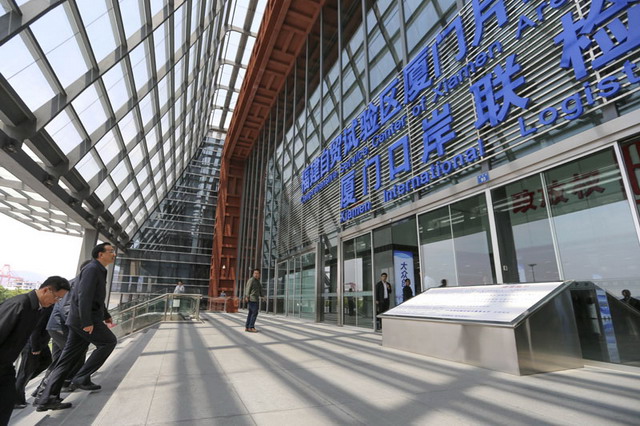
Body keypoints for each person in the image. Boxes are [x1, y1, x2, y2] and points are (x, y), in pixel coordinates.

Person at [36, 243, 118, 412]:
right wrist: (86, 321)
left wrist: (106, 315)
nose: (114, 254)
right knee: (108, 342)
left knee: (66, 360)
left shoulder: (99, 269)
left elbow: (95, 297)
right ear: (100, 254)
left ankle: (47, 398)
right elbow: (84, 295)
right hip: (84, 320)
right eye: (111, 251)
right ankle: (81, 377)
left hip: (80, 320)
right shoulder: (92, 269)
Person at [0, 276, 70, 425]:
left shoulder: (36, 308)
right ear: (46, 290)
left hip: (6, 365)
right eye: (56, 297)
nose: (56, 302)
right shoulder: (19, 304)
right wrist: (35, 346)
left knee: (6, 402)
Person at [32, 260, 93, 402]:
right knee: (71, 356)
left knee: (61, 359)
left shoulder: (79, 283)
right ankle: (49, 390)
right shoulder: (77, 284)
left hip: (58, 326)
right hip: (61, 326)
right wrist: (81, 324)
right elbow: (66, 308)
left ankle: (42, 391)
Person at [13, 305, 53, 409]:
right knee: (25, 372)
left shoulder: (49, 307)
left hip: (41, 344)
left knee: (47, 362)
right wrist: (35, 347)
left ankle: (18, 386)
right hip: (33, 344)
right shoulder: (44, 309)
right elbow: (35, 329)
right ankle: (16, 400)